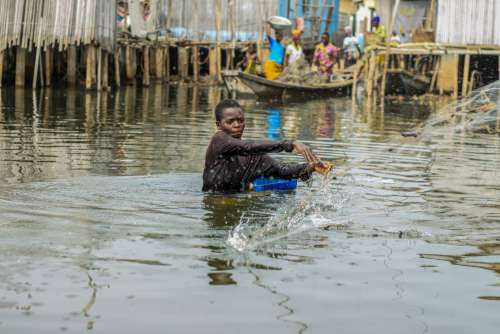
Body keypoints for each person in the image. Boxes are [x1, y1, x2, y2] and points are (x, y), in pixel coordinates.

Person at [202, 99, 325, 193]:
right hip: (213, 202)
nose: (237, 125)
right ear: (219, 125)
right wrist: (290, 143)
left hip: (236, 203)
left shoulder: (254, 157)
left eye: (240, 120)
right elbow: (247, 146)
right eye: (230, 122)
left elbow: (282, 170)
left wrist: (312, 167)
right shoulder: (219, 140)